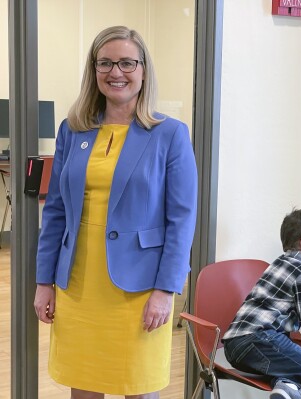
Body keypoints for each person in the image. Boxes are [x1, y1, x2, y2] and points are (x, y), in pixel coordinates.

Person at [33, 26, 197, 398]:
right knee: (85, 385)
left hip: (139, 289)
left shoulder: (169, 134)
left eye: (126, 62)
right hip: (78, 284)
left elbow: (181, 219)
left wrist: (166, 290)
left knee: (138, 386)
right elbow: (56, 211)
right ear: (94, 71)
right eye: (105, 63)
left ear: (143, 70)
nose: (115, 72)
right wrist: (44, 282)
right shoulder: (73, 130)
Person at [222, 208, 301, 399]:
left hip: (235, 347)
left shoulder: (280, 262)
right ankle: (298, 383)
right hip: (258, 339)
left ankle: (286, 388)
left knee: (296, 373)